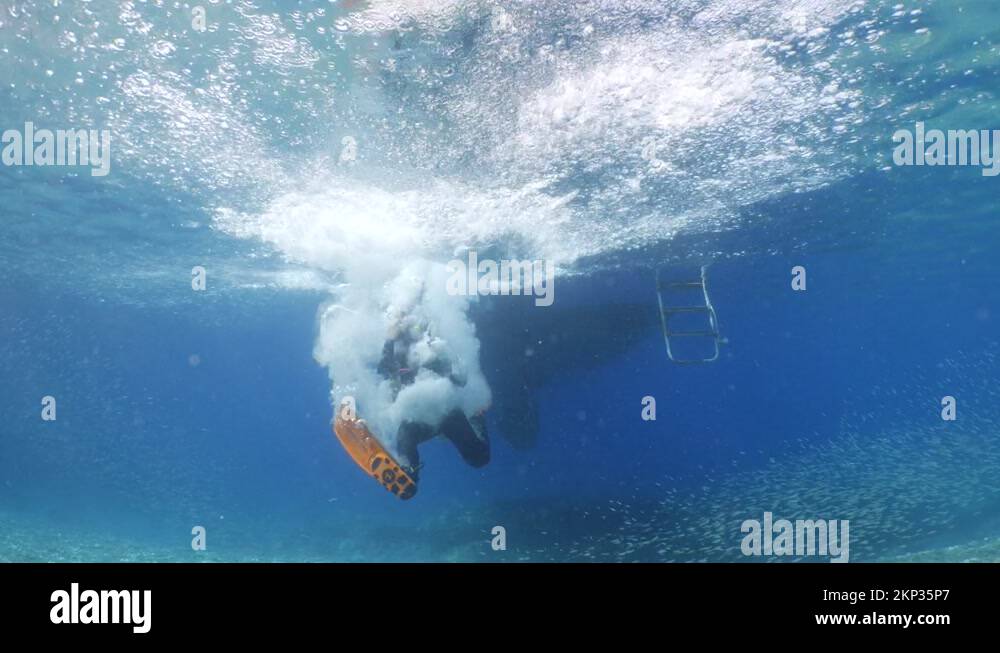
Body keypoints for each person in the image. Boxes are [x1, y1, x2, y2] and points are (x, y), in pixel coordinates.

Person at [377, 325, 489, 480]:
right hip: (416, 415)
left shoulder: (433, 335)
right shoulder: (391, 346)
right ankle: (408, 475)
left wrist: (443, 366)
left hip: (447, 409)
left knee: (479, 459)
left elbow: (461, 378)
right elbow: (385, 377)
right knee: (405, 442)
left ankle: (477, 420)